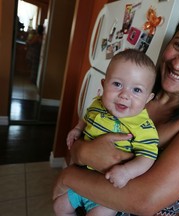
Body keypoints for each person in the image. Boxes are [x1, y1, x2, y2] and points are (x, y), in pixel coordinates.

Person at [53, 6, 179, 215]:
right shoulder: (138, 93)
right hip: (82, 201)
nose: (178, 63)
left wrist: (67, 176)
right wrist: (82, 152)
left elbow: (144, 201)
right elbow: (85, 139)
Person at [53, 49, 159, 215]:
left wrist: (127, 172)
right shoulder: (98, 104)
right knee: (59, 206)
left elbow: (148, 156)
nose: (124, 95)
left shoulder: (143, 126)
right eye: (117, 84)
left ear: (148, 99)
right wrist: (77, 129)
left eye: (136, 90)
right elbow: (87, 117)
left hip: (108, 191)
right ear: (103, 85)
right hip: (82, 178)